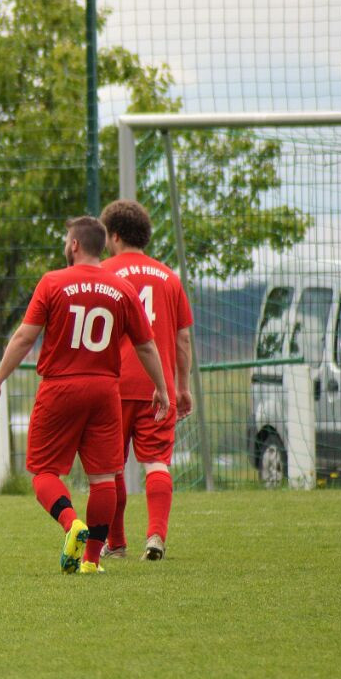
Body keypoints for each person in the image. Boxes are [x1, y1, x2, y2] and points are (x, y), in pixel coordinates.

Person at [0, 215, 169, 574]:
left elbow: (24, 337)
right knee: (103, 478)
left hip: (60, 387)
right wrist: (161, 388)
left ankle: (72, 524)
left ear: (73, 245)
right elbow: (146, 346)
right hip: (104, 391)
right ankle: (90, 561)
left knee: (43, 472)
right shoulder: (122, 289)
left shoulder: (53, 282)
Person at [99, 200, 194, 561]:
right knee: (156, 462)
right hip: (160, 388)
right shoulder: (170, 278)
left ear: (116, 235)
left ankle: (117, 542)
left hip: (114, 384)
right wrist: (181, 387)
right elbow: (183, 339)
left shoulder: (105, 273)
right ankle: (155, 535)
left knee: (109, 466)